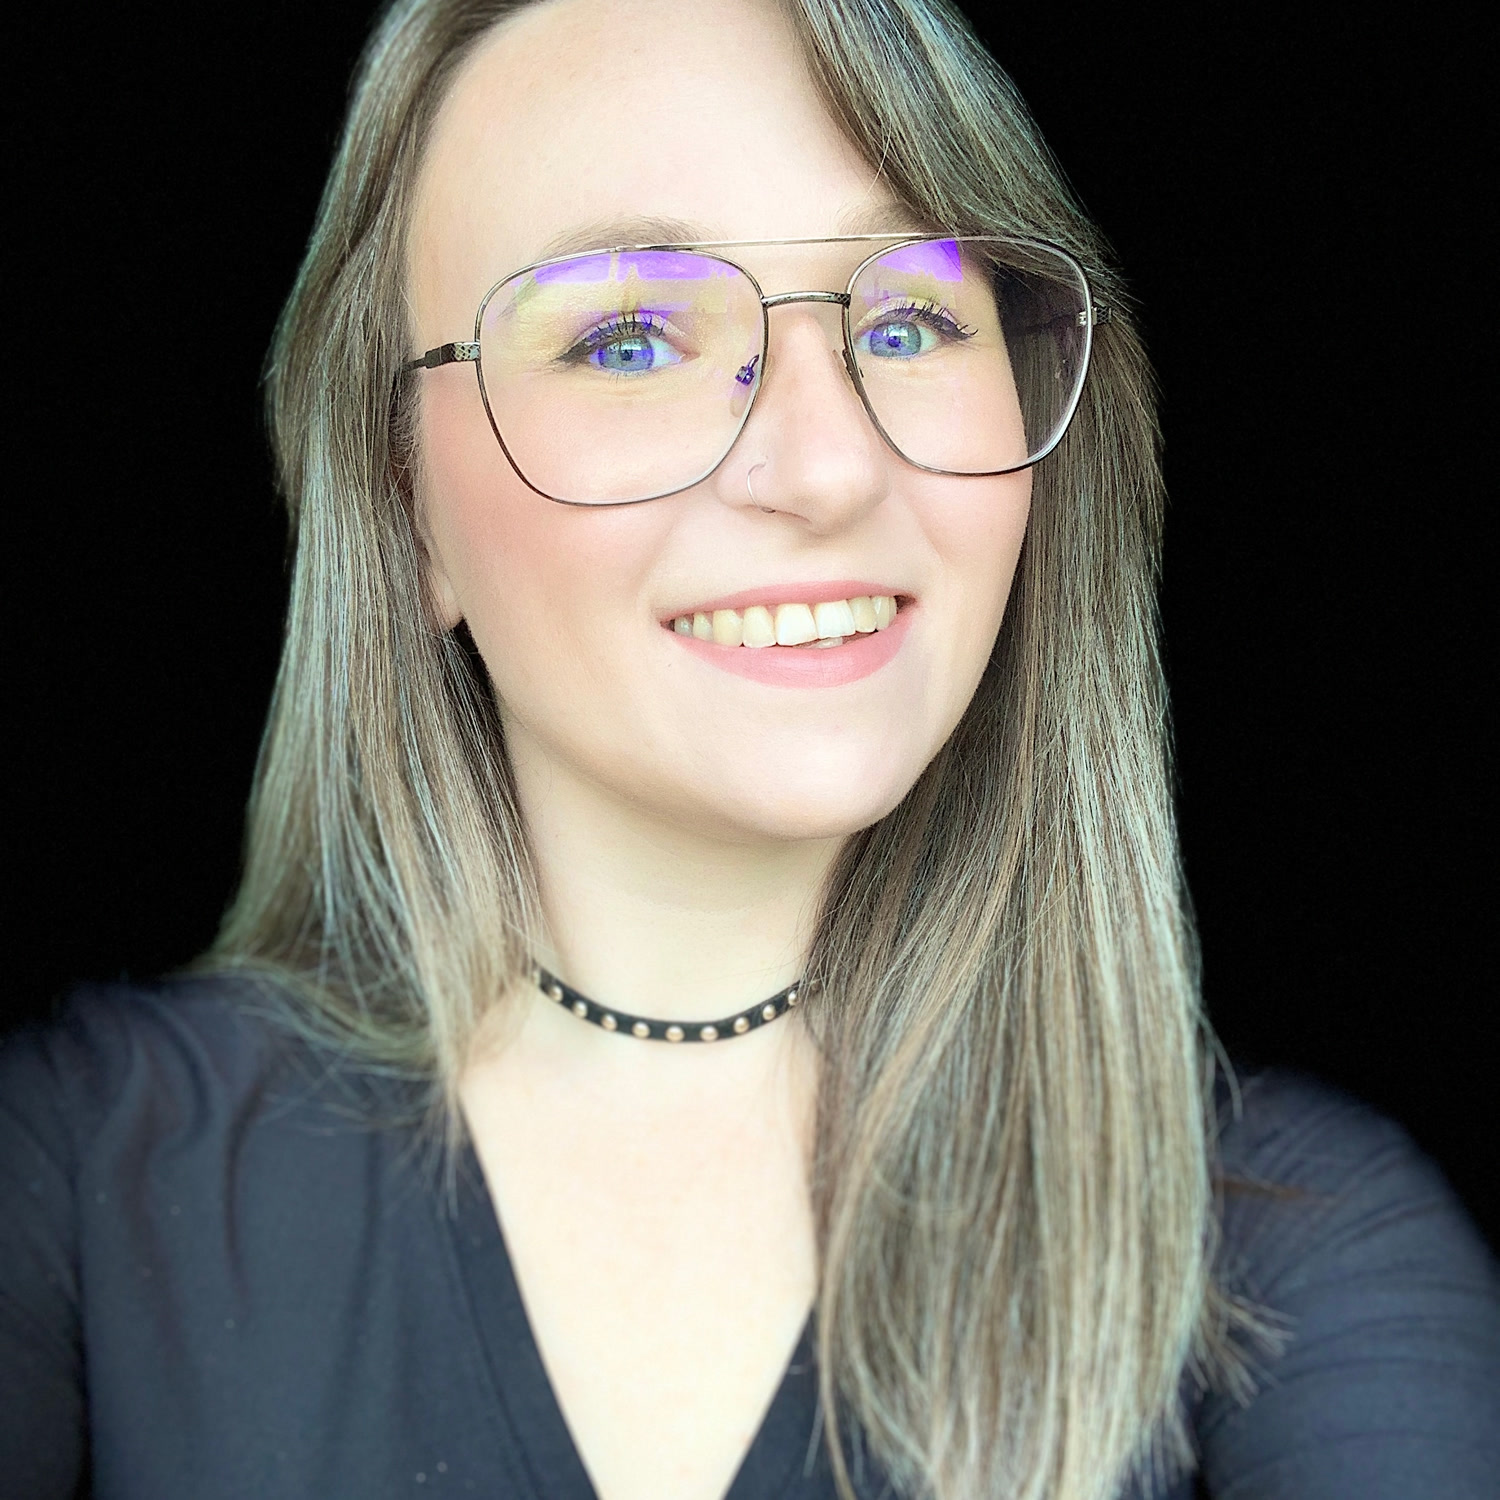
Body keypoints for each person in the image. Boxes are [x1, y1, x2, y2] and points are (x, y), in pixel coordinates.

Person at [1, 1, 1496, 1497]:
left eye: (907, 323)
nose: (830, 465)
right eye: (630, 338)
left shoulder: (1297, 1248)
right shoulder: (67, 1165)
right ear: (404, 510)